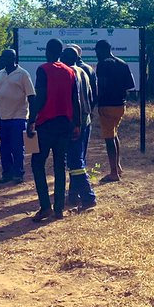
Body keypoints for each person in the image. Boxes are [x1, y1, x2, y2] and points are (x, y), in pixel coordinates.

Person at [27, 38, 77, 223]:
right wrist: (76, 124)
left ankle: (45, 207)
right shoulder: (70, 71)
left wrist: (31, 120)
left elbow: (40, 97)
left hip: (46, 123)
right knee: (59, 165)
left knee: (37, 163)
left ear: (47, 51)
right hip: (65, 124)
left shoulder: (43, 70)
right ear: (61, 52)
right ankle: (59, 209)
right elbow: (75, 100)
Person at [0, 48, 34, 184]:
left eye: (7, 57)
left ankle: (18, 173)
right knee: (4, 146)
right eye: (3, 57)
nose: (4, 60)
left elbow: (31, 96)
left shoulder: (23, 74)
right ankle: (7, 173)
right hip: (4, 117)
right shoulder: (0, 74)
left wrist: (33, 118)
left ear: (14, 59)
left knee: (17, 146)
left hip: (19, 116)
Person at [61, 45, 97, 211]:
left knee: (75, 161)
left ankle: (88, 196)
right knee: (77, 158)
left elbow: (74, 100)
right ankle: (73, 195)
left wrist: (75, 123)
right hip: (86, 118)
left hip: (76, 122)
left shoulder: (70, 73)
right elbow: (91, 96)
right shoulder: (83, 71)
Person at [94, 39, 135, 183]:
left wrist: (96, 102)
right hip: (120, 106)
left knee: (109, 139)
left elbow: (102, 86)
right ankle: (117, 167)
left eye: (97, 51)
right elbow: (130, 85)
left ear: (101, 50)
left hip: (107, 106)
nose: (96, 54)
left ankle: (113, 173)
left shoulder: (103, 64)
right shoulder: (122, 63)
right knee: (114, 134)